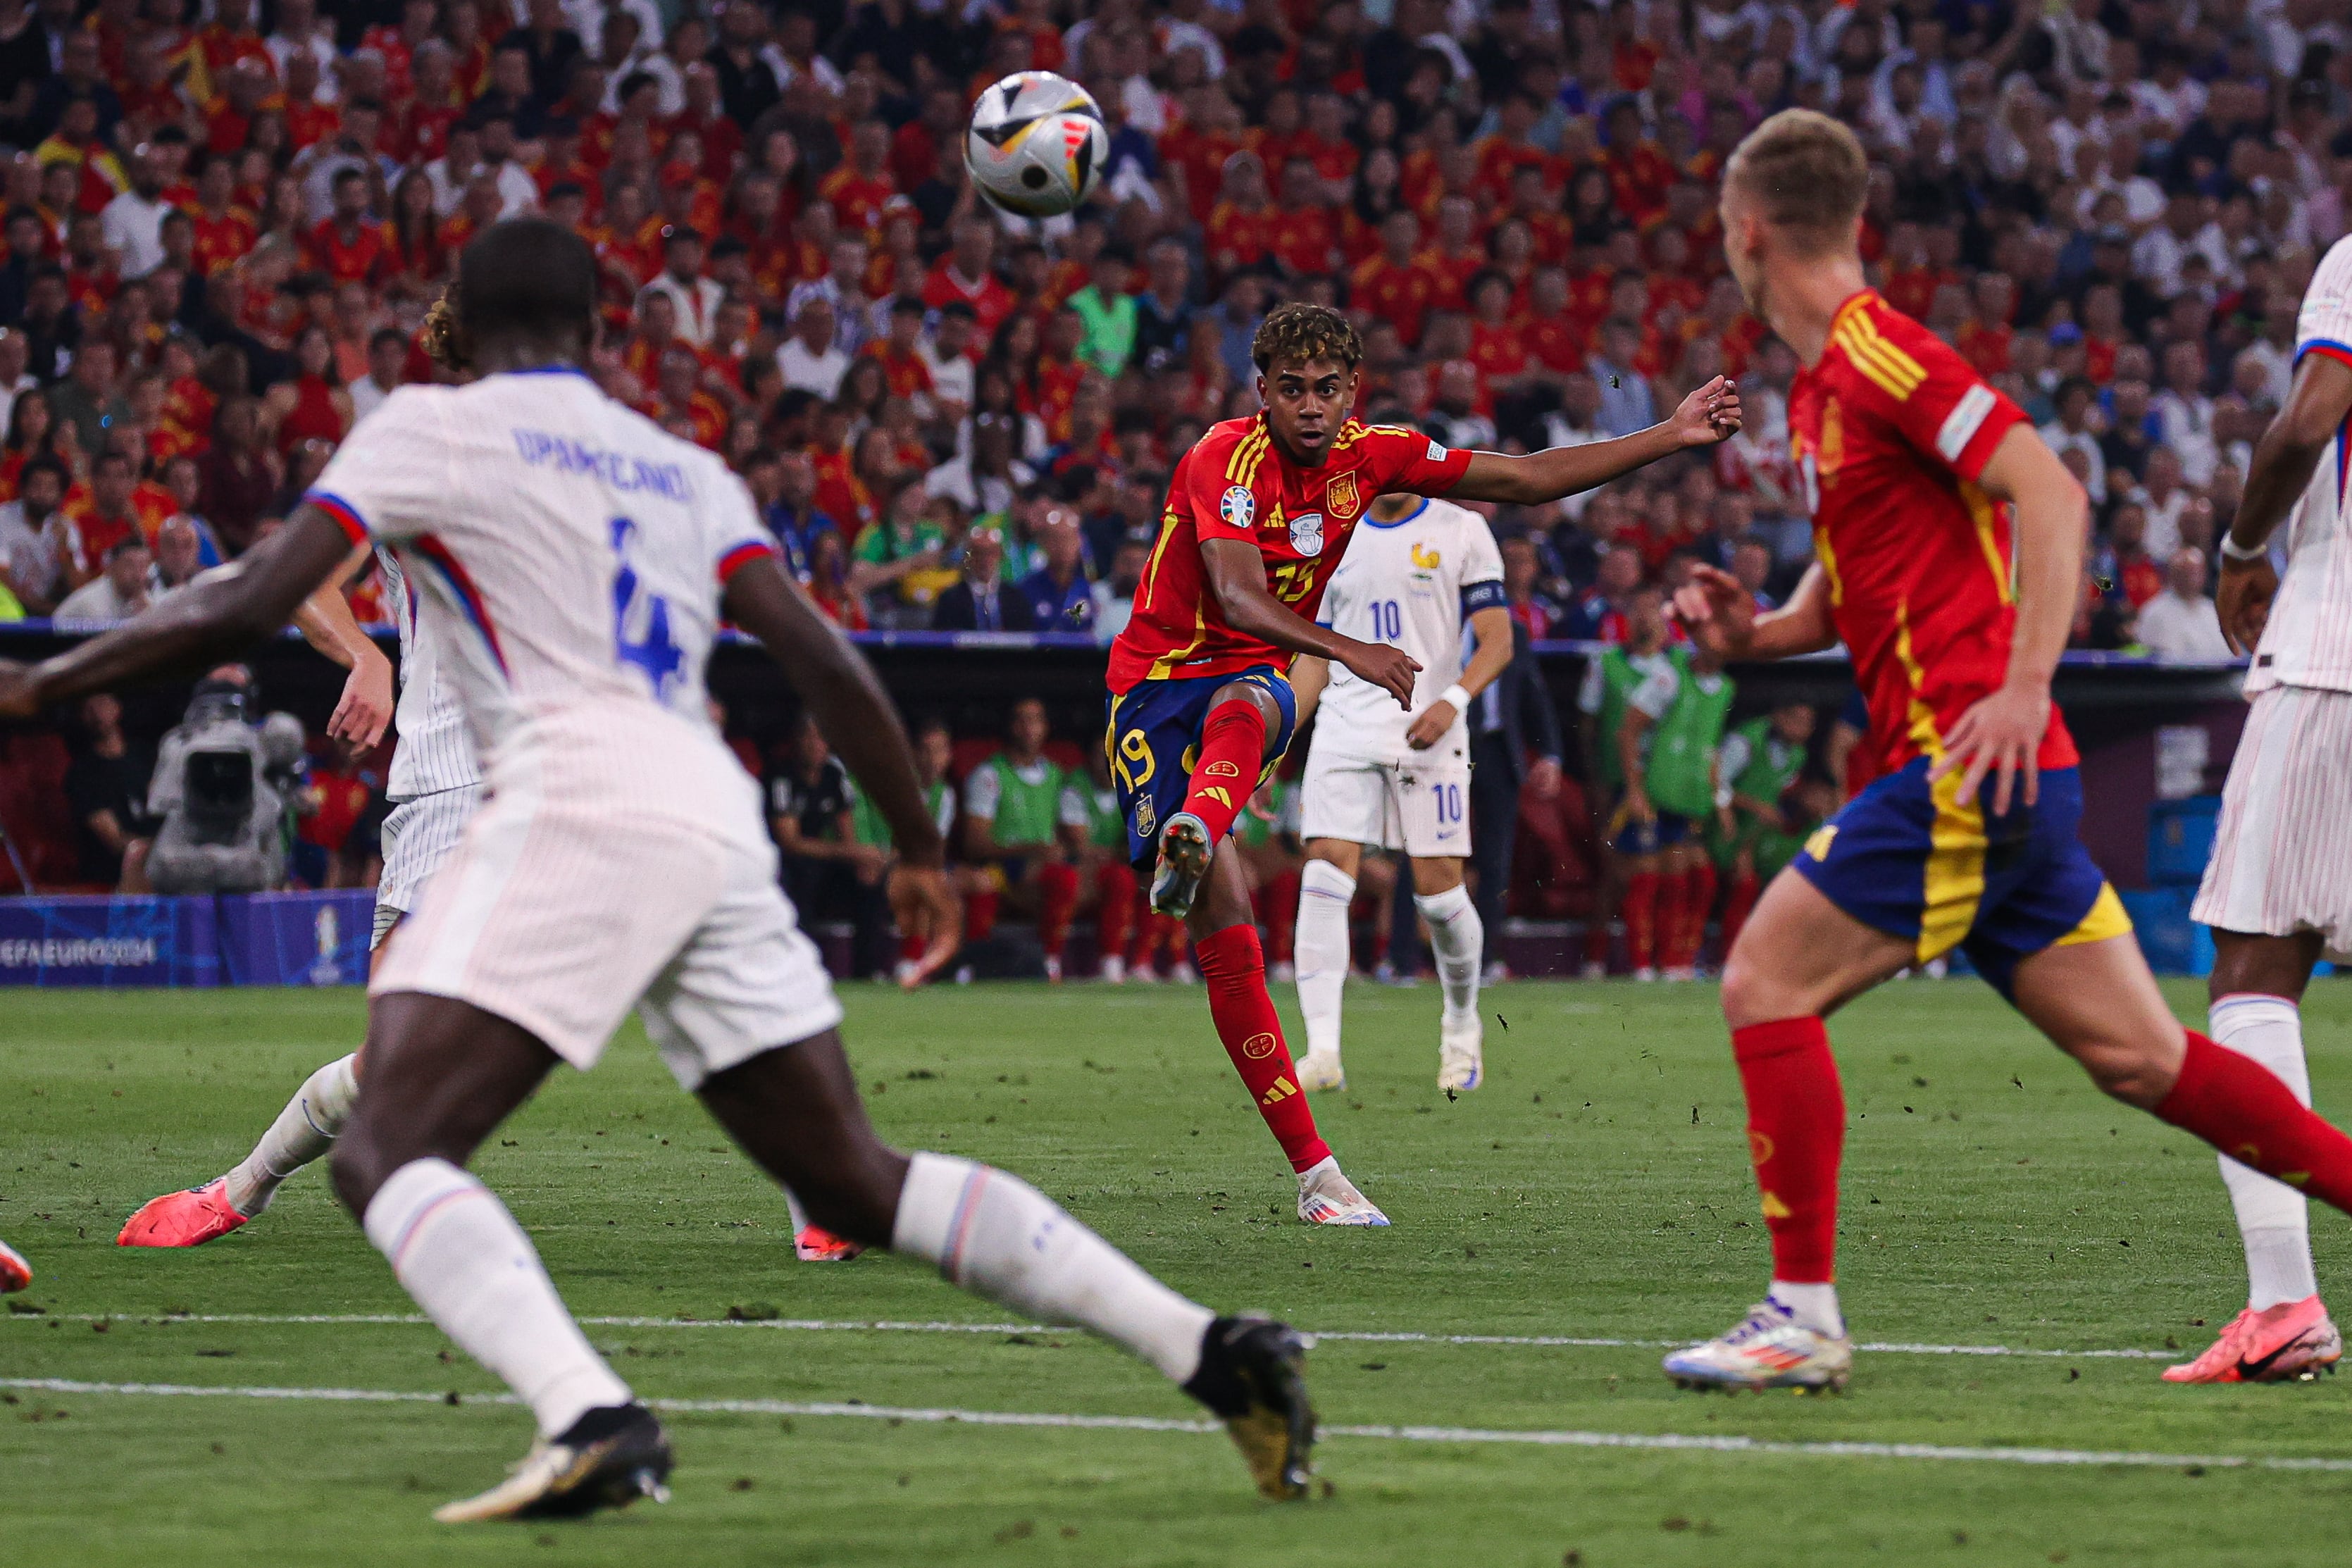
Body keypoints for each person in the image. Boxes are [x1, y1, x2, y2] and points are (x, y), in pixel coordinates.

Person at [7, 220, 1321, 1517]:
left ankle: (590, 1415)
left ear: (461, 323)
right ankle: (1217, 1354)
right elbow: (821, 659)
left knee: (391, 1143)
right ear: (596, 331)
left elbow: (242, 602)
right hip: (706, 816)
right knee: (855, 1177)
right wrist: (916, 848)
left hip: (564, 807)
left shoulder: (424, 427)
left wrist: (46, 683)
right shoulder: (676, 468)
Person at [1665, 110, 2352, 1393]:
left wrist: (2023, 685)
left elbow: (2050, 488)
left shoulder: (1879, 353)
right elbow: (1841, 596)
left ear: (1746, 230)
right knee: (2146, 1060)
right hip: (1999, 781)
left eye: (1720, 230)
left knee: (1762, 982)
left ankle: (1799, 1315)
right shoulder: (1827, 389)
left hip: (1964, 765)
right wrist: (1743, 636)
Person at [1105, 299, 1739, 1225]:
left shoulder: (1376, 454)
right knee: (1230, 900)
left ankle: (1316, 1172)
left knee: (1253, 715)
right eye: (1291, 391)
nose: (1310, 407)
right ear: (1261, 393)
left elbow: (1522, 477)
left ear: (1351, 392)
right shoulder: (1223, 458)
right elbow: (1237, 594)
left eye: (1326, 390)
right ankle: (1197, 828)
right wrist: (1349, 649)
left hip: (1256, 682)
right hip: (1153, 689)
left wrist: (1668, 434)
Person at [2165, 229, 2352, 1384]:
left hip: (2334, 648)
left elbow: (2308, 413)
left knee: (2250, 970)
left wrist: (2239, 544)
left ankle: (2281, 1301)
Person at [1288, 489, 1512, 1094]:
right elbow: (1314, 655)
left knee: (1438, 893)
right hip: (1343, 724)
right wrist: (1279, 743)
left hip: (1430, 728)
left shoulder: (1462, 529)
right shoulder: (1331, 533)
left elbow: (1498, 639)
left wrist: (1453, 701)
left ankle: (1462, 1027)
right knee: (1326, 866)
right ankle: (1322, 1050)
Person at [1617, 643, 1734, 981]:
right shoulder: (1668, 676)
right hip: (1654, 791)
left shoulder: (1724, 688)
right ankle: (1640, 964)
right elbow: (1628, 730)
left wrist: (1722, 800)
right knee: (1646, 875)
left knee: (1696, 876)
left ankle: (1674, 961)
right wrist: (1634, 790)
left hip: (1689, 797)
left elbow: (1711, 748)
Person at [1576, 585, 1675, 976]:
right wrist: (1595, 777)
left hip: (1660, 785)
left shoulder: (1674, 670)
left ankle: (1654, 959)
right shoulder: (1606, 663)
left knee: (1656, 871)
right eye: (1639, 612)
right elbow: (1588, 722)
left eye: (1653, 611)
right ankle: (1596, 957)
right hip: (1615, 782)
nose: (1645, 620)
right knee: (1613, 871)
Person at [962, 697, 1081, 982]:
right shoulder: (990, 774)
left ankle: (1051, 961)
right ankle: (971, 966)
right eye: (1022, 720)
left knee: (1068, 877)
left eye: (1036, 720)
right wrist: (1033, 850)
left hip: (1040, 874)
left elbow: (1072, 837)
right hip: (1001, 866)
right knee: (982, 881)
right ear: (1011, 727)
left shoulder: (1056, 776)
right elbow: (974, 843)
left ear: (1046, 728)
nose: (1029, 728)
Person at [2134, 546, 2232, 664]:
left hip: (2220, 678)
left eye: (2195, 572)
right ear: (2172, 575)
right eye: (2184, 572)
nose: (2191, 578)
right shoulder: (2154, 612)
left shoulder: (2212, 610)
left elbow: (2228, 654)